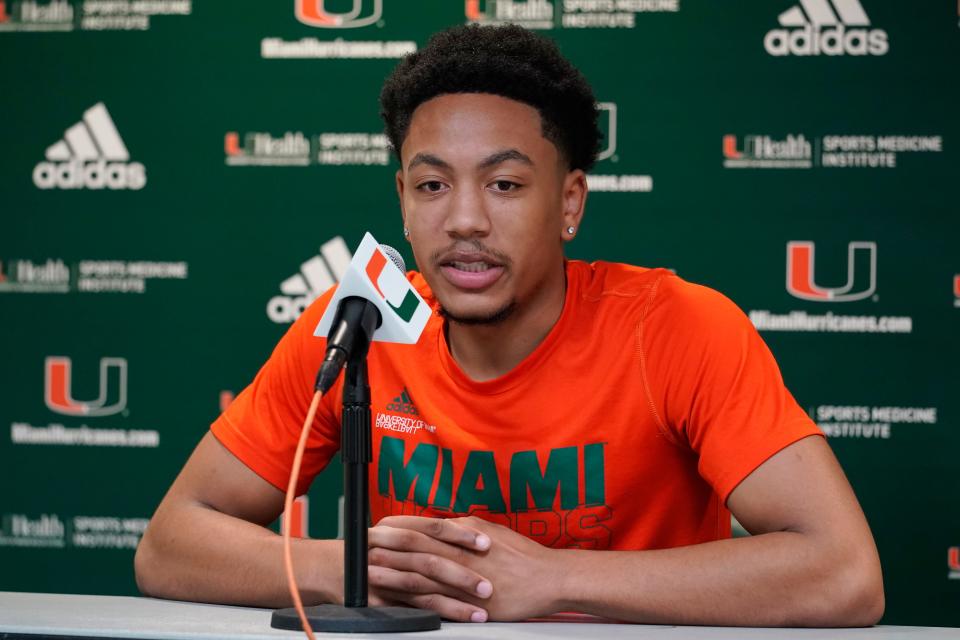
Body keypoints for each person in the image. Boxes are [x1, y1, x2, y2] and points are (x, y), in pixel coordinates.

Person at [134, 24, 884, 626]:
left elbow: (844, 574)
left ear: (569, 203)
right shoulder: (357, 322)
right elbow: (169, 545)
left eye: (504, 184)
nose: (464, 221)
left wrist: (558, 577)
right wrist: (363, 570)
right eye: (432, 184)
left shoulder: (675, 326)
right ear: (402, 197)